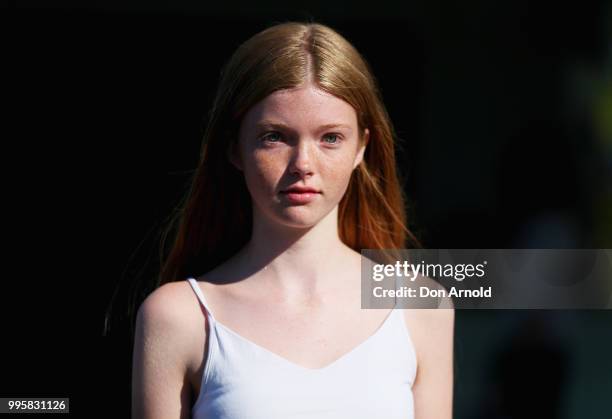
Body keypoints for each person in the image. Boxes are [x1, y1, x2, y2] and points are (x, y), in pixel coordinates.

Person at [131, 21, 454, 419]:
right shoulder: (179, 316)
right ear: (234, 147)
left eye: (330, 137)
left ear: (361, 148)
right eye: (275, 136)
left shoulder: (423, 308)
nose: (303, 164)